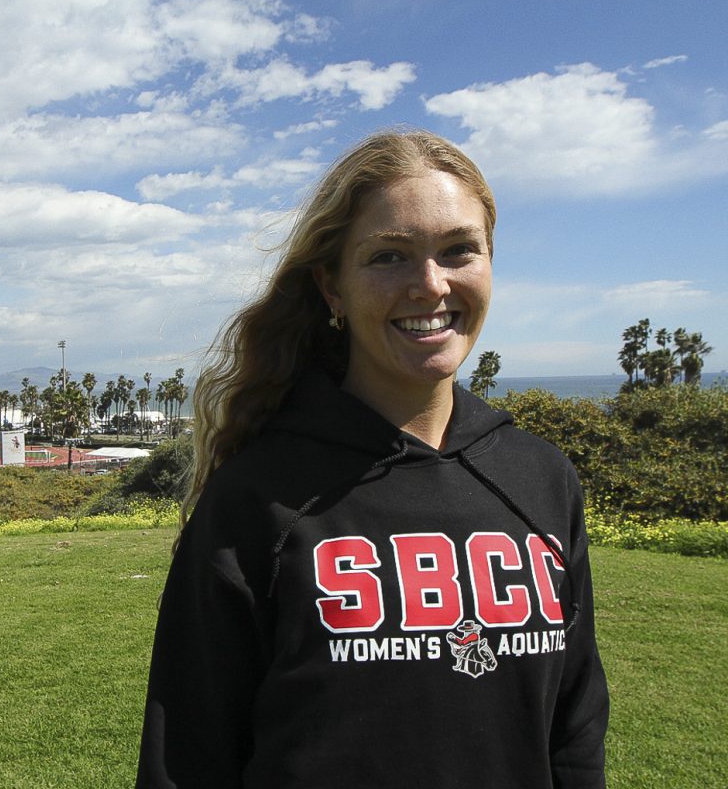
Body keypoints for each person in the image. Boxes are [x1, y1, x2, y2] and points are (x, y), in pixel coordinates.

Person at [136, 129, 609, 788]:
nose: (430, 284)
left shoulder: (541, 479)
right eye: (389, 256)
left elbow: (576, 731)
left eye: (458, 251)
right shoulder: (256, 499)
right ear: (332, 289)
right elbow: (186, 759)